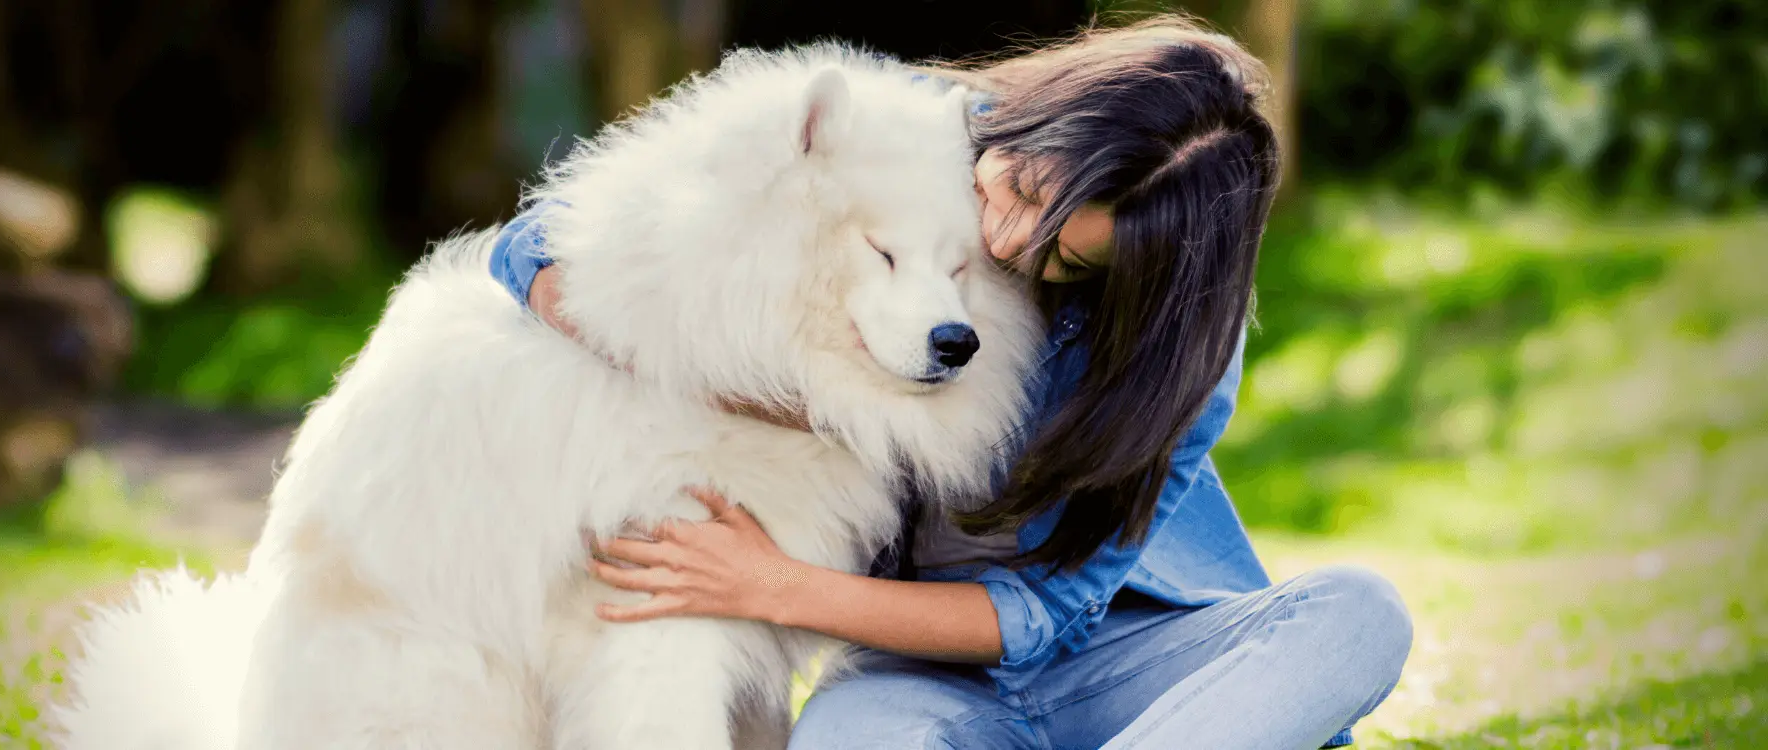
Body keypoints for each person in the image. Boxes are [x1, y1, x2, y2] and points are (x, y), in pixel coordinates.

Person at [486, 16, 1412, 749]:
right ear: (1038, 118)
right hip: (916, 690)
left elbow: (1043, 615)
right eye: (1019, 189)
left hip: (1136, 670)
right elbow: (531, 245)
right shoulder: (910, 130)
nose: (1009, 245)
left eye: (1067, 267)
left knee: (1358, 617)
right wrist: (755, 385)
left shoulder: (1183, 337)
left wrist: (774, 585)